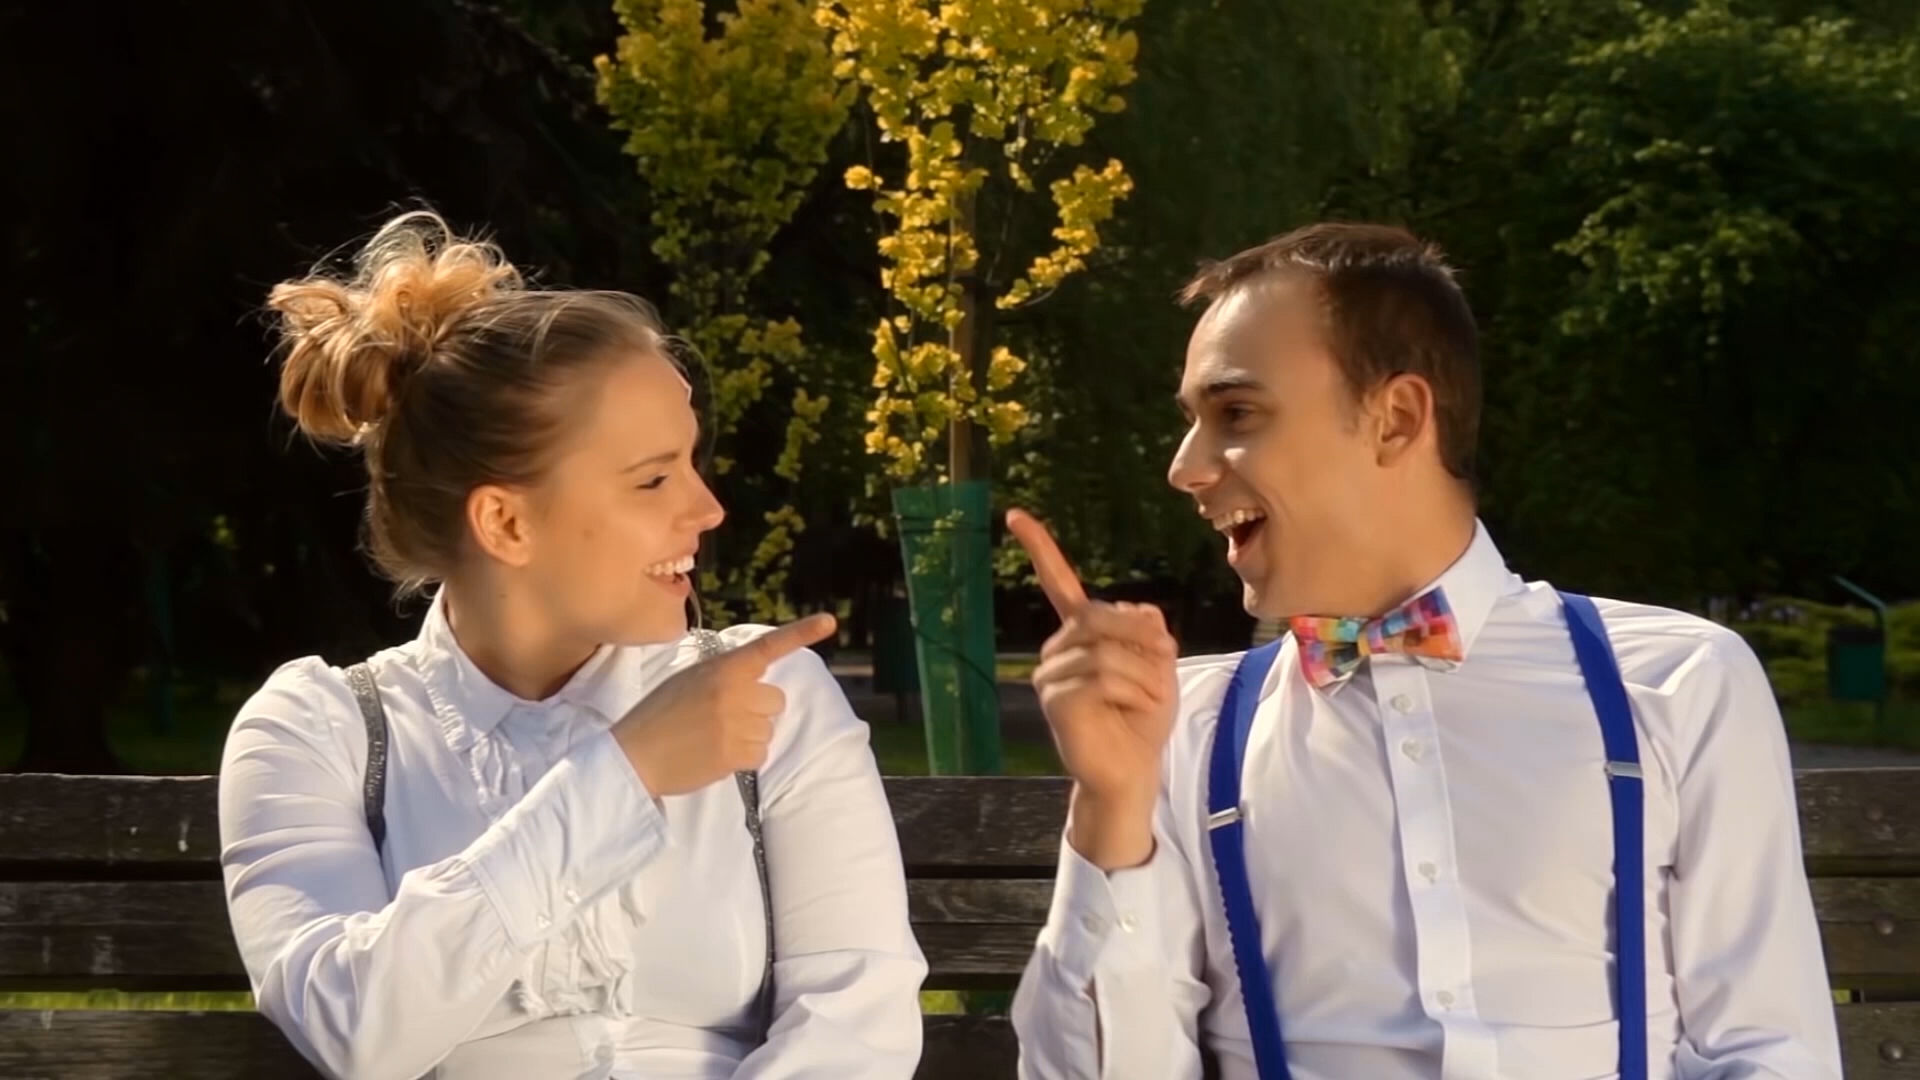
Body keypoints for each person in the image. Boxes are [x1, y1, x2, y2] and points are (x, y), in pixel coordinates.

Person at [1007, 223, 1841, 1079]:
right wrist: (1113, 805)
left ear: (1396, 419)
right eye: (1193, 421)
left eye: (1237, 414)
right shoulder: (1181, 732)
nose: (1185, 467)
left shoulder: (1677, 683)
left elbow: (1769, 1051)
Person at [218, 211, 926, 1080]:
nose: (707, 510)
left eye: (692, 463)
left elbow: (856, 1027)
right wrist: (624, 774)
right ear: (506, 523)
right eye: (654, 479)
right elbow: (354, 1029)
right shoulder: (318, 730)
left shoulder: (775, 696)